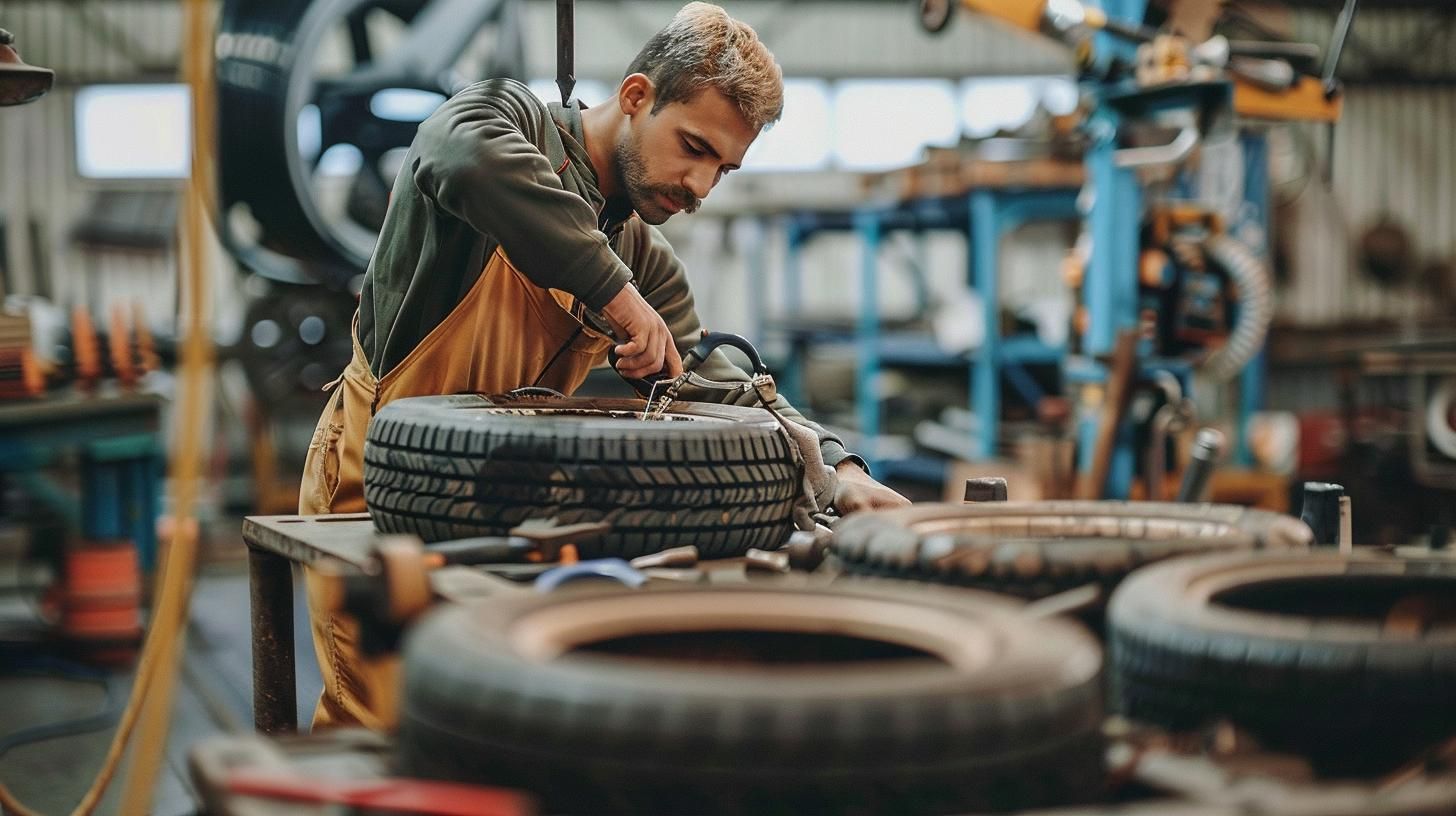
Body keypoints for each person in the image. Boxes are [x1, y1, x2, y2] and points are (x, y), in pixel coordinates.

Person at [298, 1, 909, 729]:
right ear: (635, 96)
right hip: (379, 486)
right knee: (383, 730)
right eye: (693, 146)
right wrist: (617, 298)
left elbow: (718, 390)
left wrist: (840, 471)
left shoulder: (646, 257)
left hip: (511, 511)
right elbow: (459, 154)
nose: (702, 187)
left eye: (724, 166)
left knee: (488, 728)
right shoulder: (503, 120)